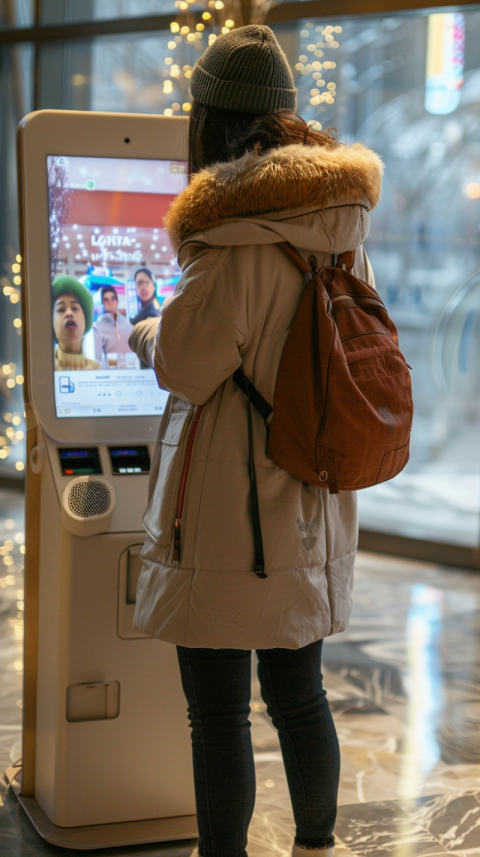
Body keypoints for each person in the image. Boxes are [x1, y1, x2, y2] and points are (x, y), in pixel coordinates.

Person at [129, 25, 382, 857]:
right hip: (312, 491)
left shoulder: (227, 237)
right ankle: (316, 845)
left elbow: (187, 364)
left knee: (217, 710)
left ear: (209, 121)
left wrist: (142, 333)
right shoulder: (337, 227)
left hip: (232, 516)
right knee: (300, 694)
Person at [52, 276, 100, 370]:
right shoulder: (43, 370)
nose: (69, 313)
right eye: (61, 309)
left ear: (86, 319)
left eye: (75, 308)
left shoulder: (96, 369)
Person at [93, 285, 133, 367]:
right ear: (103, 303)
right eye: (106, 299)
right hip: (111, 374)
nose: (110, 302)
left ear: (117, 301)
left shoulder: (128, 325)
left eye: (113, 298)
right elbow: (98, 361)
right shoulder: (98, 328)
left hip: (132, 372)